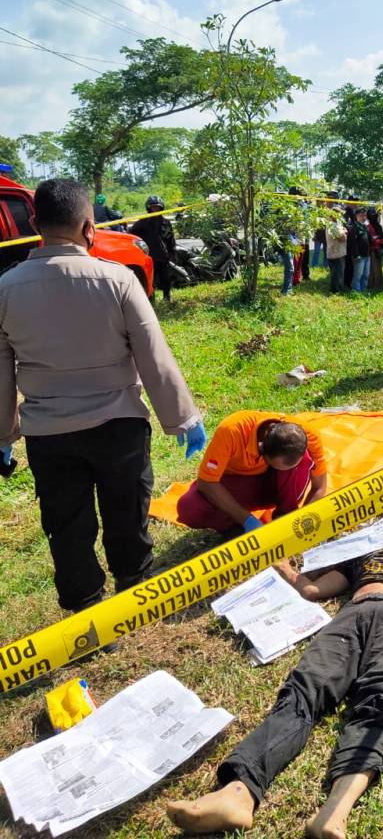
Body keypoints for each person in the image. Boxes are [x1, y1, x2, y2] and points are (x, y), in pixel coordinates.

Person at [0, 179, 205, 613]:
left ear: (35, 224)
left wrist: (3, 433)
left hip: (49, 434)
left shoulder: (6, 288)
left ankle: (85, 607)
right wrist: (182, 417)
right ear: (90, 226)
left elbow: (1, 370)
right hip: (119, 424)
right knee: (127, 510)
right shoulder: (118, 279)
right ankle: (134, 584)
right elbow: (153, 355)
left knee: (66, 522)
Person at [165, 547, 383, 837]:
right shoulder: (362, 552)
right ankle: (238, 792)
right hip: (353, 615)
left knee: (379, 699)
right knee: (302, 692)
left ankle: (335, 812)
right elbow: (313, 591)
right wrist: (283, 567)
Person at [176, 411, 327, 534]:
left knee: (307, 458)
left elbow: (319, 486)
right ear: (261, 449)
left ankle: (284, 517)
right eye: (274, 465)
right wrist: (246, 519)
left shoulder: (309, 435)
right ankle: (235, 528)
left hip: (274, 489)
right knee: (189, 508)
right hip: (238, 484)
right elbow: (206, 481)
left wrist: (302, 521)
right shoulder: (232, 431)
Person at [131, 195, 177, 302]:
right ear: (149, 208)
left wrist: (172, 253)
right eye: (153, 207)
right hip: (149, 258)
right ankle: (151, 300)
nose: (155, 209)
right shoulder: (142, 223)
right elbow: (132, 236)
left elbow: (171, 239)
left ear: (161, 208)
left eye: (157, 207)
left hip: (163, 257)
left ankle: (167, 298)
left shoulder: (166, 223)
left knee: (166, 280)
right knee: (150, 281)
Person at [347, 207, 370, 293]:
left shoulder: (365, 227)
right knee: (358, 275)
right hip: (359, 256)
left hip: (367, 255)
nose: (364, 217)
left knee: (366, 275)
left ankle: (363, 290)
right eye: (361, 216)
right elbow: (352, 243)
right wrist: (356, 255)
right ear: (356, 216)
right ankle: (356, 291)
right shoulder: (354, 228)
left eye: (365, 216)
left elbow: (368, 239)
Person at [325, 213, 348, 294]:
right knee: (336, 273)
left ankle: (338, 288)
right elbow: (342, 238)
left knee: (338, 272)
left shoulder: (335, 224)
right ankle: (335, 290)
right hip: (336, 253)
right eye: (339, 214)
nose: (341, 216)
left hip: (337, 252)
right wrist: (345, 232)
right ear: (334, 215)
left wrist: (344, 231)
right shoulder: (332, 225)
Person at [366, 207, 383, 291]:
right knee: (371, 269)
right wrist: (377, 240)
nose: (373, 217)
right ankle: (371, 285)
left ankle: (378, 285)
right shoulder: (368, 227)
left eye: (374, 215)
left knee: (377, 268)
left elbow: (382, 238)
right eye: (371, 215)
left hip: (378, 250)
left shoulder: (379, 226)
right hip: (371, 250)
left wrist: (378, 240)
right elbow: (369, 239)